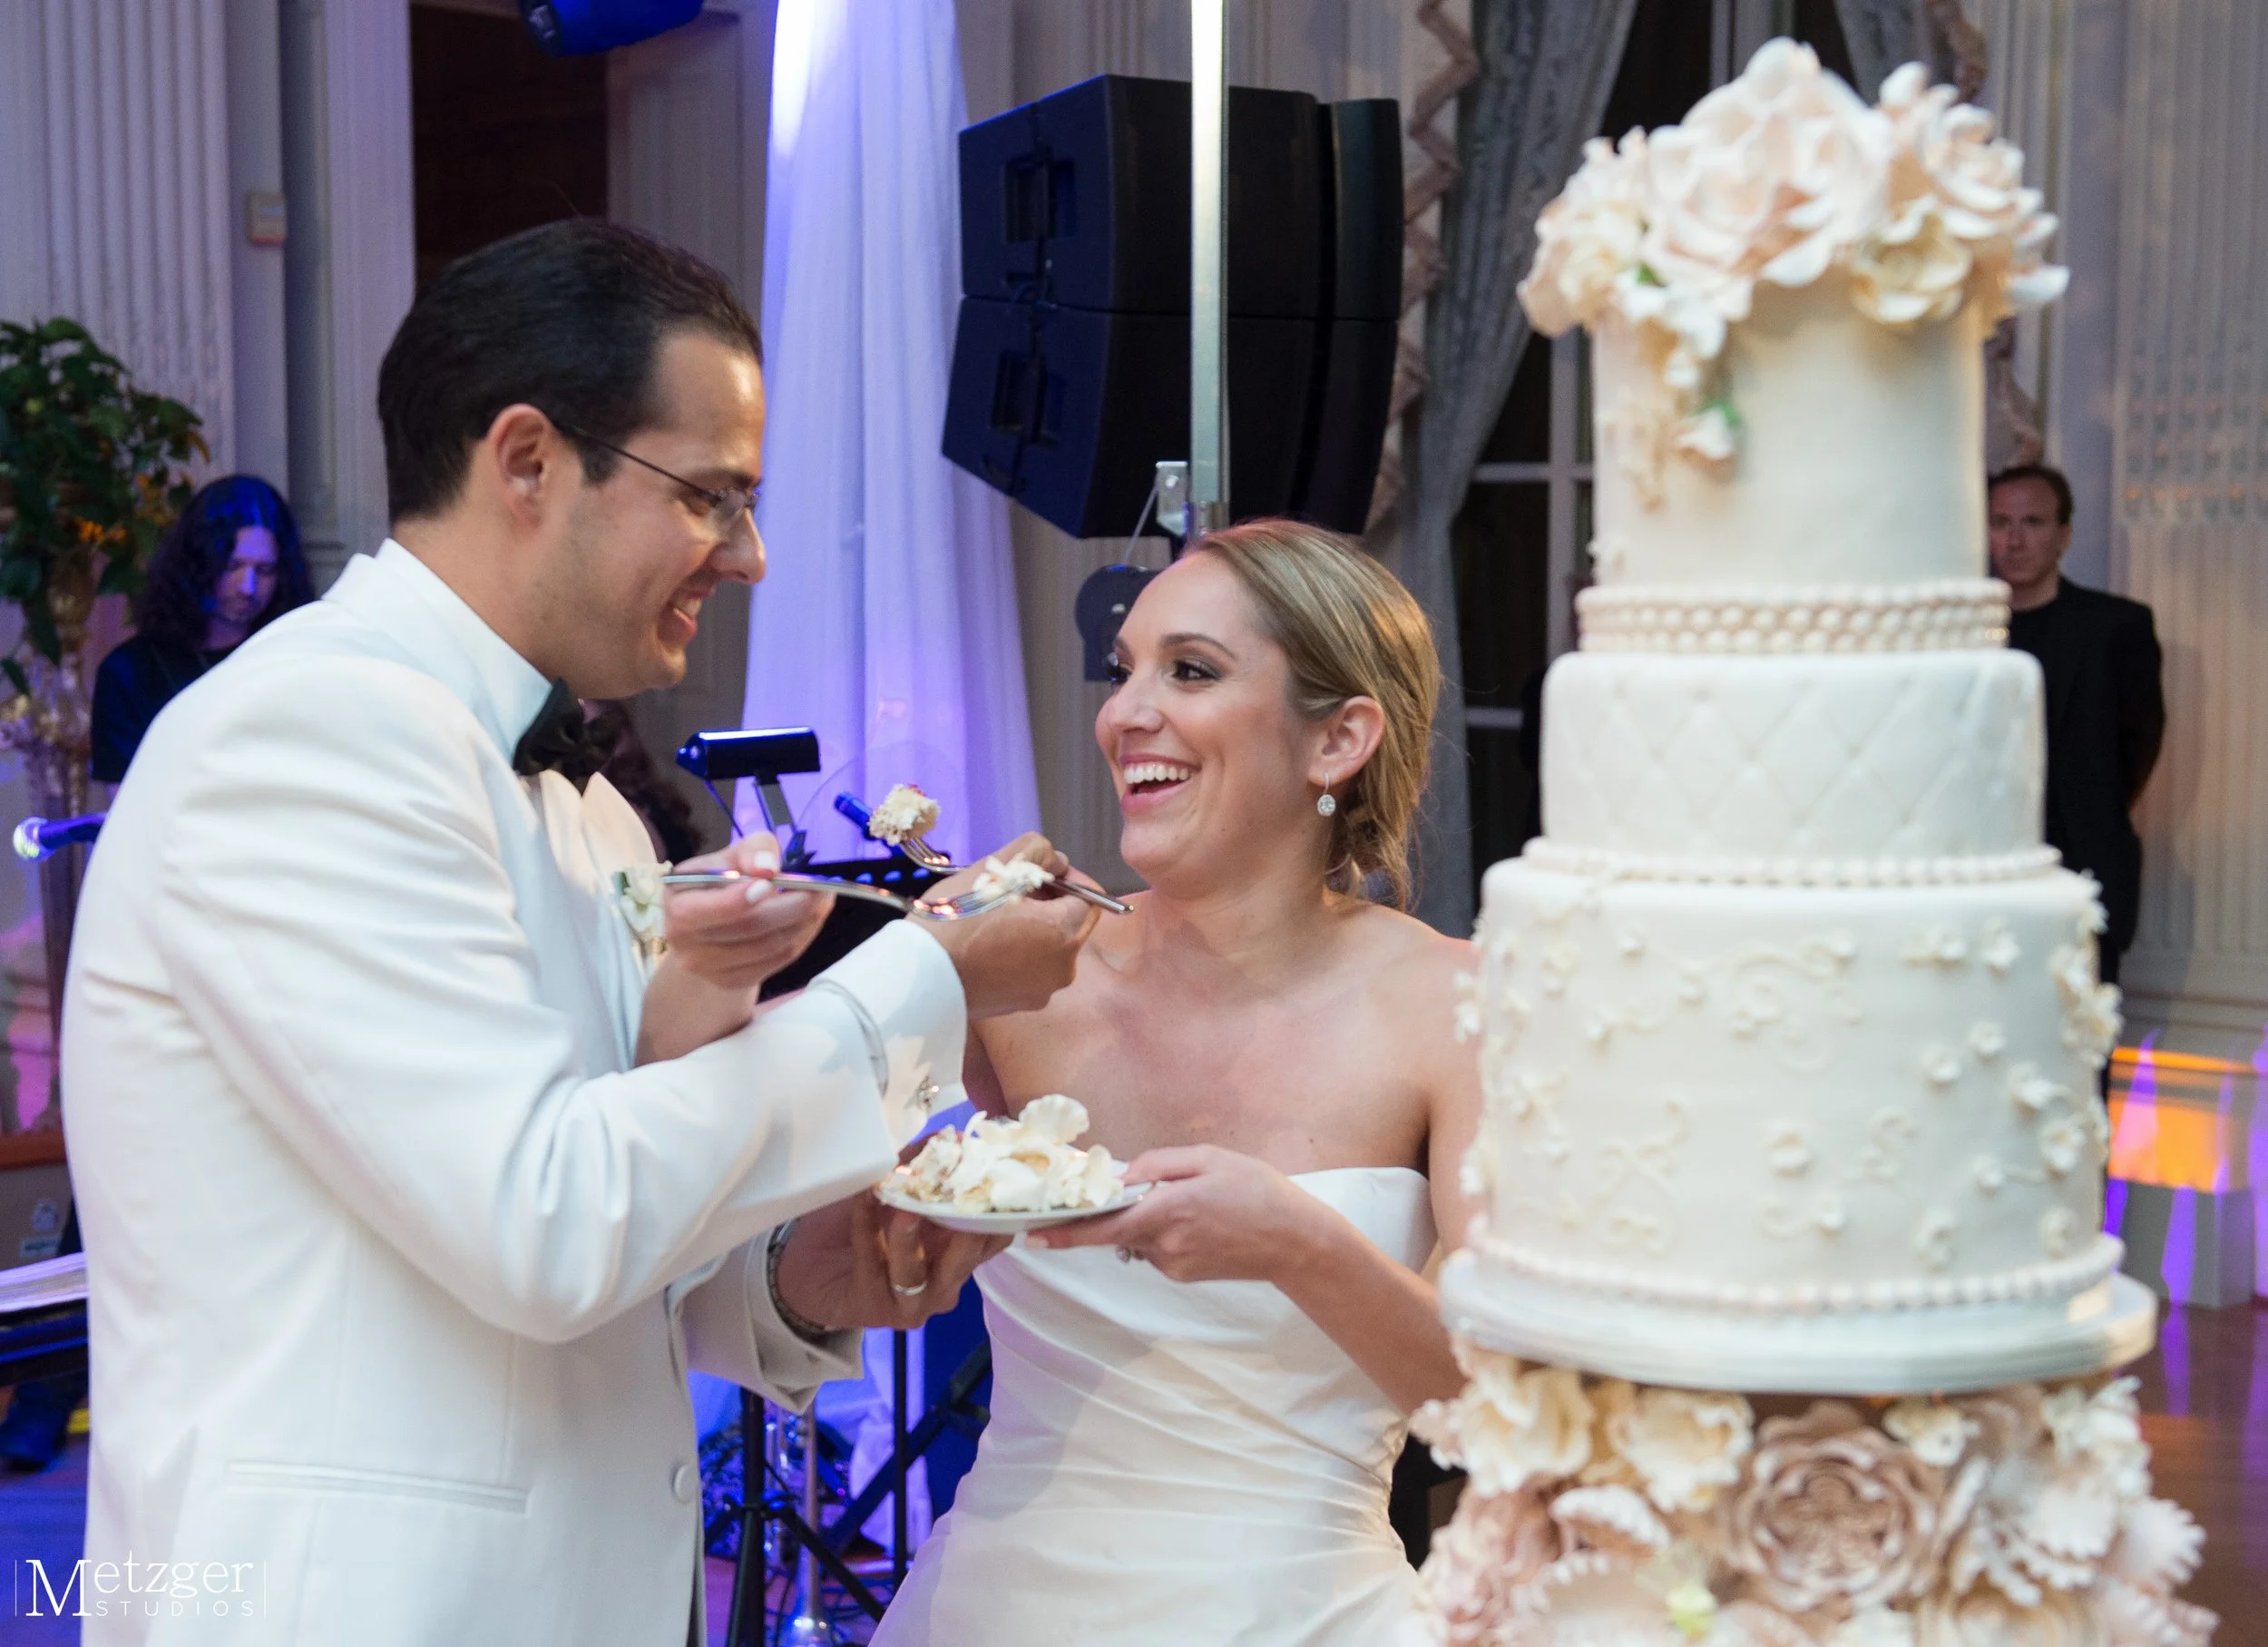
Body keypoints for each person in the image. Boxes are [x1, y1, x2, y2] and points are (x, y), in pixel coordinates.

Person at [63, 220, 1099, 1646]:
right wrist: (923, 973)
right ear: (530, 460)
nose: (748, 554)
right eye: (711, 497)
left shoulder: (591, 812)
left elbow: (605, 1244)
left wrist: (788, 1280)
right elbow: (541, 1222)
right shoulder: (306, 734)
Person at [875, 520, 1481, 1646]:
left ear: (1338, 738)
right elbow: (834, 1270)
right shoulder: (1016, 980)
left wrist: (1301, 1247)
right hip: (998, 1607)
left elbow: (1504, 1415)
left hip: (1309, 1614)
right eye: (1123, 672)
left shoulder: (1460, 1009)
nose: (1122, 714)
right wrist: (922, 962)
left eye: (1189, 671)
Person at [1989, 462, 2165, 985]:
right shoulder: (1963, 633)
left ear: (2063, 535)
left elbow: (2139, 746)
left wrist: (2087, 805)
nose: (2015, 540)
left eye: (2033, 522)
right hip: (1987, 861)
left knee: (2081, 1044)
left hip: (2084, 861)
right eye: (2000, 523)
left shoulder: (2117, 627)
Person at [89, 473, 314, 784]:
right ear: (196, 561)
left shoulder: (296, 660)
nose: (248, 588)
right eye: (232, 566)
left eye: (264, 570)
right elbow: (125, 805)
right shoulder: (129, 673)